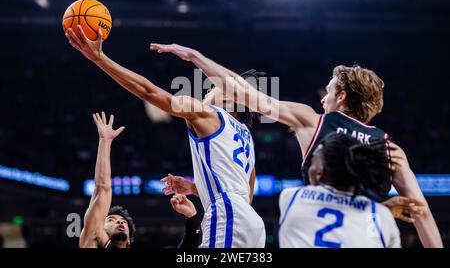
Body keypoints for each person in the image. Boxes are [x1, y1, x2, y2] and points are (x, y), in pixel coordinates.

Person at [149, 43, 442, 248]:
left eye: (327, 91)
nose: (322, 98)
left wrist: (196, 57)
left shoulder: (311, 121)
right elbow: (421, 212)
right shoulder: (391, 149)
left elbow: (244, 92)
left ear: (341, 97)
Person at [66, 27, 266, 248]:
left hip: (227, 216)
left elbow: (148, 91)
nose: (206, 92)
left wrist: (99, 58)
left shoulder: (207, 113)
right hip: (252, 224)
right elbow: (245, 197)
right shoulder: (246, 136)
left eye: (212, 89)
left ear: (229, 99)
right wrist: (192, 188)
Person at [279, 133, 424, 248]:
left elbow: (329, 213)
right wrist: (379, 210)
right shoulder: (380, 216)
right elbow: (345, 217)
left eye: (313, 160)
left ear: (319, 172)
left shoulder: (291, 197)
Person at [79, 112, 136, 248]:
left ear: (129, 240)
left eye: (123, 222)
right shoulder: (95, 236)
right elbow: (103, 187)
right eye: (111, 220)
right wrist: (105, 141)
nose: (120, 223)